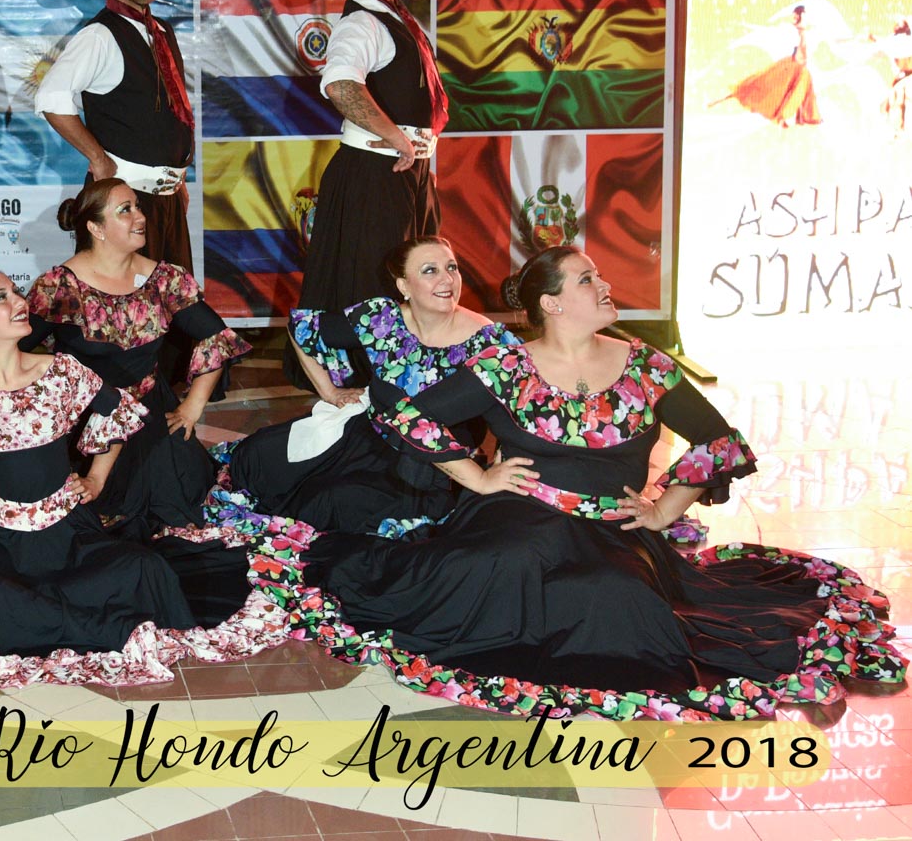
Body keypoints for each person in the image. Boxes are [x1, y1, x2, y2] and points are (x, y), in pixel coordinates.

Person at [254, 247, 905, 721]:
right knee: (498, 564)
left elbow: (719, 441)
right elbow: (407, 415)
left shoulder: (646, 366)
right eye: (587, 278)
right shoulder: (506, 364)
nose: (604, 285)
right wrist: (477, 476)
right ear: (551, 302)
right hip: (518, 513)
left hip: (610, 525)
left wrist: (663, 509)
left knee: (614, 596)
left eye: (598, 276)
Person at [0, 269, 282, 684]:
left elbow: (117, 411)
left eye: (15, 291)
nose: (19, 302)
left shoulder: (60, 370)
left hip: (71, 533)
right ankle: (64, 618)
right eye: (1, 297)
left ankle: (32, 617)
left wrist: (96, 479)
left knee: (145, 569)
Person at [219, 236, 517, 535]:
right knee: (256, 457)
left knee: (332, 503)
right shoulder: (383, 319)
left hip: (431, 460)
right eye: (430, 270)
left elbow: (522, 406)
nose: (448, 279)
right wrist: (329, 392)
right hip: (369, 434)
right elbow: (301, 328)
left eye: (452, 267)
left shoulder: (488, 339)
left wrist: (495, 468)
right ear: (404, 286)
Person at [23, 178, 250, 532]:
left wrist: (193, 406)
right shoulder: (58, 288)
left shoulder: (163, 279)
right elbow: (11, 348)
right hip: (83, 426)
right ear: (96, 228)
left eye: (137, 207)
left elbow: (217, 336)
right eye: (125, 210)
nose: (140, 217)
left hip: (151, 418)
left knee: (178, 513)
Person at [290, 0, 446, 387]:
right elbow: (340, 85)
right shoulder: (361, 23)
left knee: (417, 280)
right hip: (376, 174)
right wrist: (397, 137)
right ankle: (368, 389)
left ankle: (410, 378)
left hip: (406, 172)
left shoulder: (394, 18)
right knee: (373, 288)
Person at [37, 0, 195, 269]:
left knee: (173, 297)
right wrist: (97, 158)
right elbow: (50, 98)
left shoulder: (161, 32)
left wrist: (175, 177)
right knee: (126, 299)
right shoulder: (99, 35)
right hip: (124, 202)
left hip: (166, 199)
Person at [711, 4, 823, 127]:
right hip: (795, 64)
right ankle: (784, 116)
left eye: (796, 16)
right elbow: (801, 51)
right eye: (795, 16)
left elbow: (803, 51)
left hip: (797, 64)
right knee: (775, 86)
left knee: (793, 90)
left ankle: (788, 117)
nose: (794, 19)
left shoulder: (803, 31)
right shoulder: (795, 31)